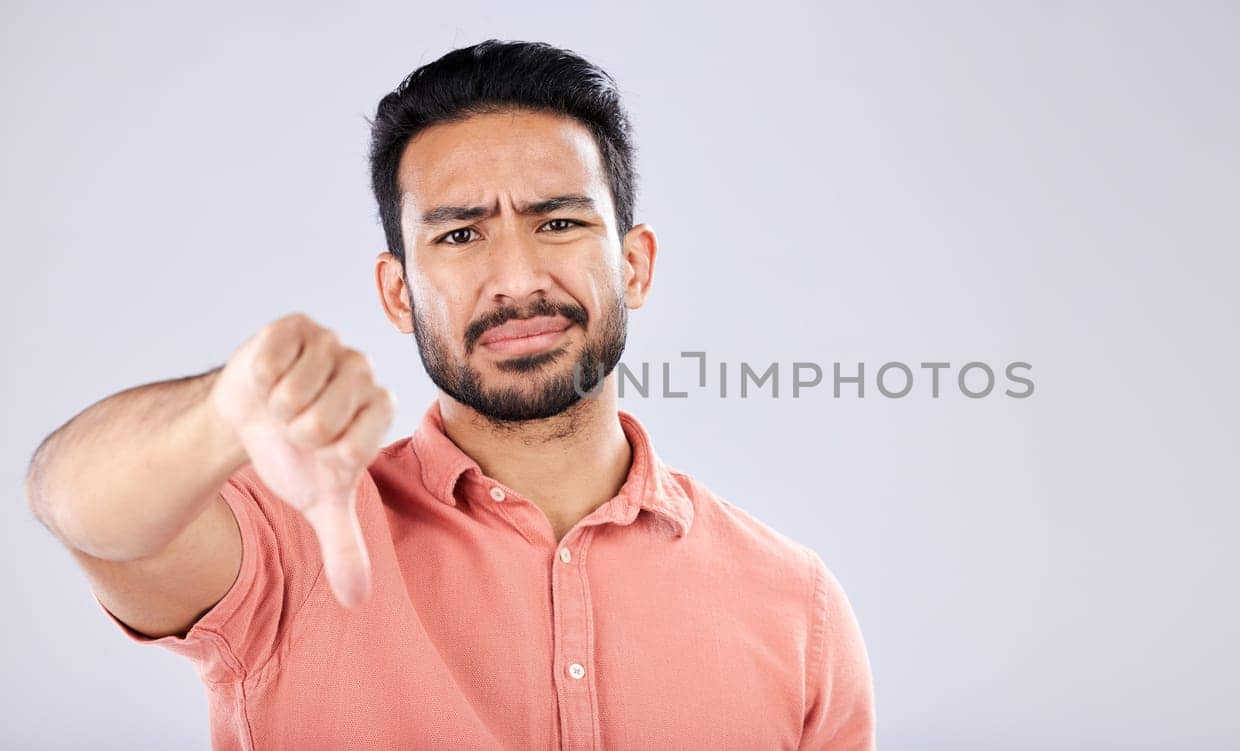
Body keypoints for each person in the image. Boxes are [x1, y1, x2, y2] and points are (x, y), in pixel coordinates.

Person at [25, 39, 874, 750]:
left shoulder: (797, 605)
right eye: (461, 234)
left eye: (560, 222)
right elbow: (76, 504)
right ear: (398, 293)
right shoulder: (294, 541)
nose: (515, 277)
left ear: (636, 264)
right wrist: (219, 412)